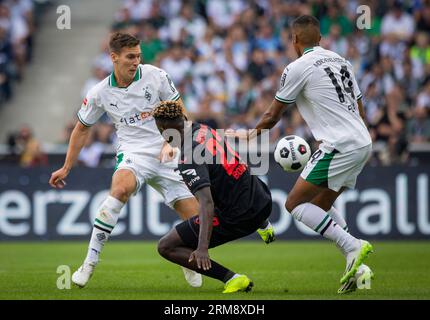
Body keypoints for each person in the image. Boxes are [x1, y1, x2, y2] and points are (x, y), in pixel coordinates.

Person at [228, 15, 374, 294]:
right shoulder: (342, 61)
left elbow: (273, 114)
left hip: (339, 144)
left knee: (294, 204)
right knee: (318, 205)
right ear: (320, 38)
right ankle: (357, 265)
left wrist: (250, 134)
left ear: (294, 40)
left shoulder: (297, 67)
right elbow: (359, 108)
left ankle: (353, 247)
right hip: (361, 141)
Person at [49, 32, 203, 288]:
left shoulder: (156, 76)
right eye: (130, 57)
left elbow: (181, 111)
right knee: (120, 188)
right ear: (114, 58)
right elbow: (82, 128)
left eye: (138, 56)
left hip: (168, 151)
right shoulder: (100, 92)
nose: (135, 62)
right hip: (134, 152)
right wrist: (66, 166)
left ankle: (183, 258)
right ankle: (88, 263)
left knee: (196, 218)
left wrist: (171, 142)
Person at [152, 100, 273, 293]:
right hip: (262, 199)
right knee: (229, 176)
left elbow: (206, 203)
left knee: (166, 246)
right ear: (183, 118)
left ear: (164, 129)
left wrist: (202, 247)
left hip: (241, 215)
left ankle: (232, 278)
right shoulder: (203, 129)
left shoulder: (188, 157)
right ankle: (264, 225)